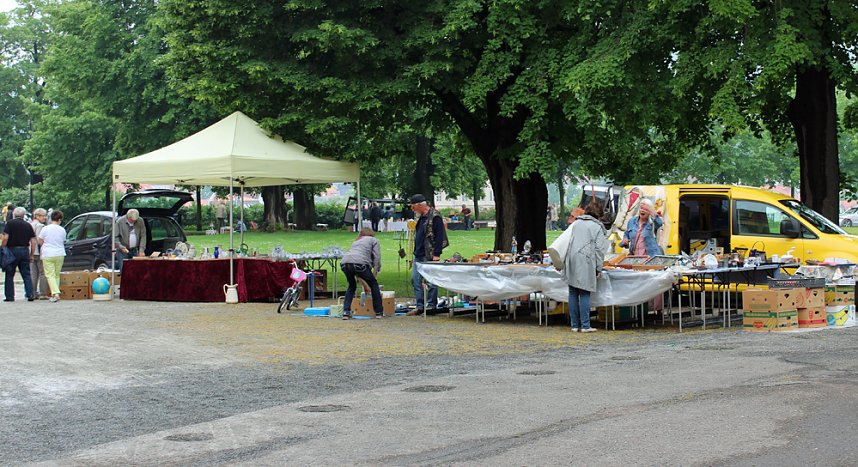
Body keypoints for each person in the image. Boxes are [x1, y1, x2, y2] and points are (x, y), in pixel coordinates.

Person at [559, 202, 608, 332]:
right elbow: (599, 250)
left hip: (571, 258)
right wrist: (598, 268)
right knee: (585, 292)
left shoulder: (576, 223)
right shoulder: (597, 227)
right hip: (586, 260)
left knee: (573, 293)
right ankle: (585, 325)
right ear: (599, 214)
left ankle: (574, 325)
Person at [406, 193, 448, 315]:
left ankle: (431, 305)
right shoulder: (422, 217)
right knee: (415, 279)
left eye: (413, 207)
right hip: (418, 254)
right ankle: (420, 306)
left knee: (431, 281)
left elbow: (440, 236)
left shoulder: (435, 216)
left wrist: (437, 254)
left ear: (420, 205)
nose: (412, 209)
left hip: (429, 254)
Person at [340, 228, 383, 319]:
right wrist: (376, 271)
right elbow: (377, 257)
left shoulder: (356, 242)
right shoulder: (373, 240)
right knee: (374, 284)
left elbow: (358, 273)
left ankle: (346, 312)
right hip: (360, 263)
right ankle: (379, 312)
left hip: (345, 263)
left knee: (351, 286)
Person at [2, 207, 36, 302]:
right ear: (23, 215)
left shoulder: (10, 224)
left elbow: (5, 237)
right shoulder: (28, 225)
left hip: (11, 251)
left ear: (14, 214)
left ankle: (10, 296)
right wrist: (31, 254)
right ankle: (30, 294)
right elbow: (33, 241)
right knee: (26, 274)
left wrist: (3, 247)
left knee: (9, 274)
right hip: (24, 250)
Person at [38, 210, 65, 302]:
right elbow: (63, 241)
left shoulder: (45, 228)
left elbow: (40, 241)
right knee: (57, 274)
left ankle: (56, 293)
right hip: (60, 253)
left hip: (48, 253)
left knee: (50, 275)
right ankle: (55, 293)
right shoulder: (62, 230)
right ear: (60, 220)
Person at [29, 208, 48, 299]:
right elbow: (39, 239)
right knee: (42, 273)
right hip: (38, 251)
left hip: (31, 252)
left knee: (33, 273)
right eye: (43, 216)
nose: (45, 218)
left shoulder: (30, 224)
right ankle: (43, 293)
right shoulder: (40, 226)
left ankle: (32, 292)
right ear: (37, 216)